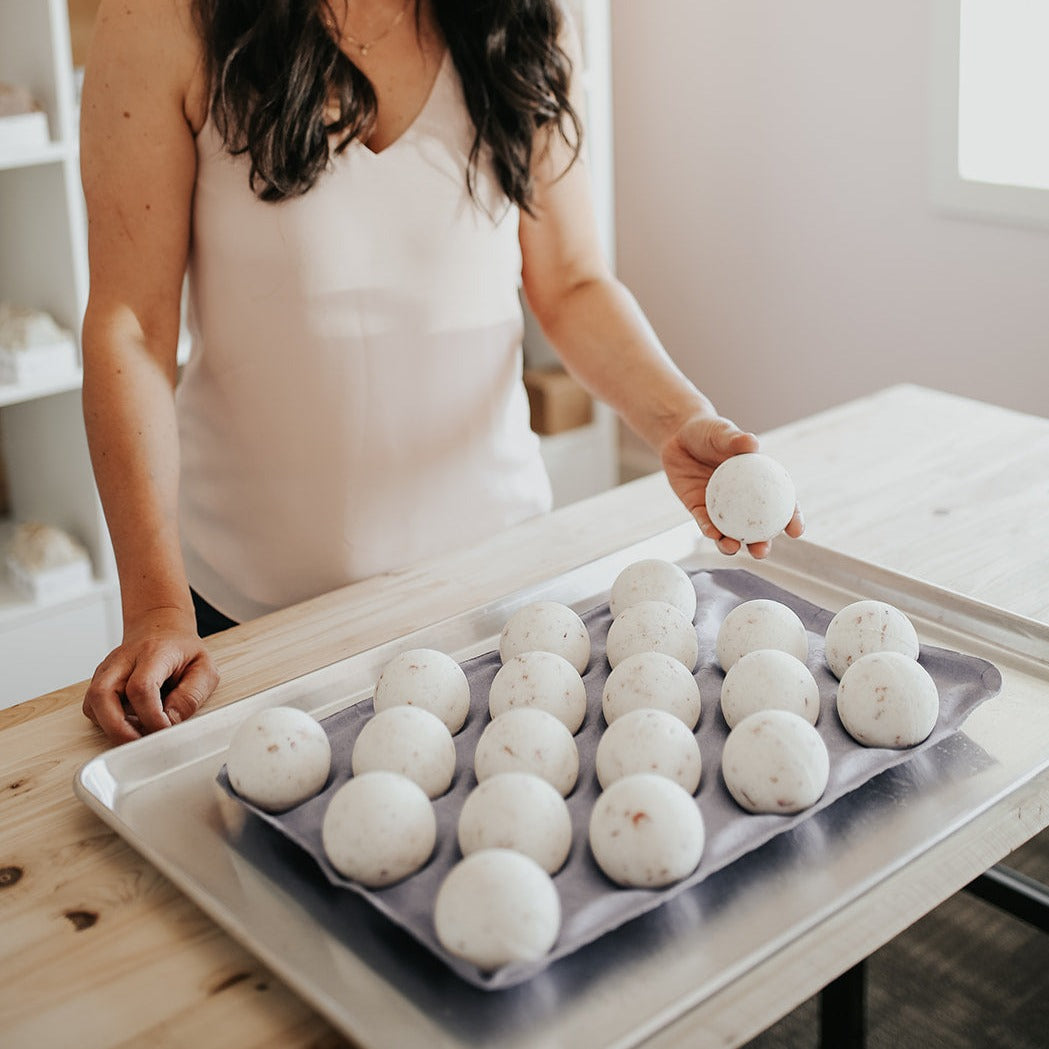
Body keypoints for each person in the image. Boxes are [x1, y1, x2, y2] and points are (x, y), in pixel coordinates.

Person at [79, 0, 803, 744]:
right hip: (256, 612)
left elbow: (572, 283)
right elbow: (131, 324)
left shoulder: (525, 18)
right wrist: (155, 607)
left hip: (498, 595)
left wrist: (678, 419)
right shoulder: (162, 18)